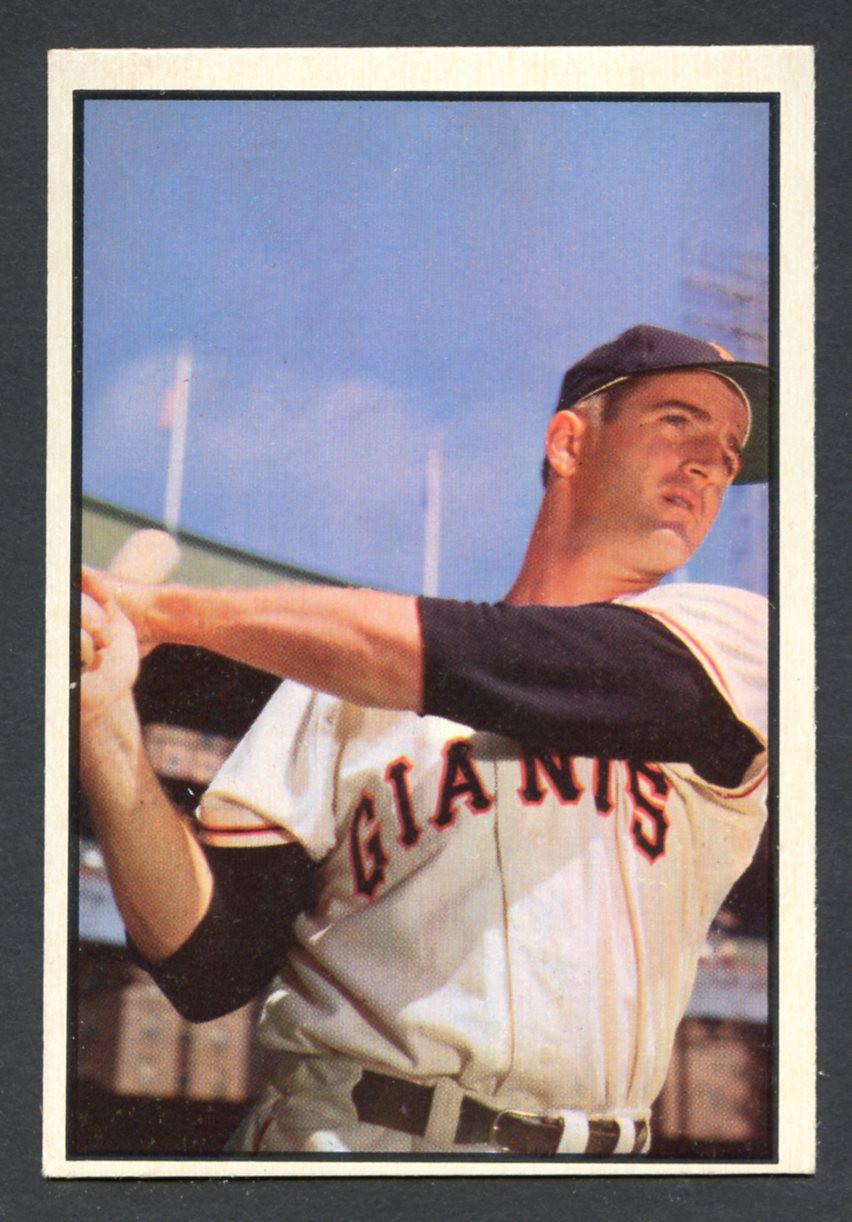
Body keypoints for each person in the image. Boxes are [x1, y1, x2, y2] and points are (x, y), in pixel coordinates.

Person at [79, 324, 770, 1156]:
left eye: (728, 454)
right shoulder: (336, 683)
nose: (708, 465)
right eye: (678, 421)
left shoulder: (734, 644)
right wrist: (106, 727)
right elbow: (205, 965)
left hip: (593, 1166)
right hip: (341, 1144)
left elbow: (490, 660)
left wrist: (162, 612)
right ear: (568, 441)